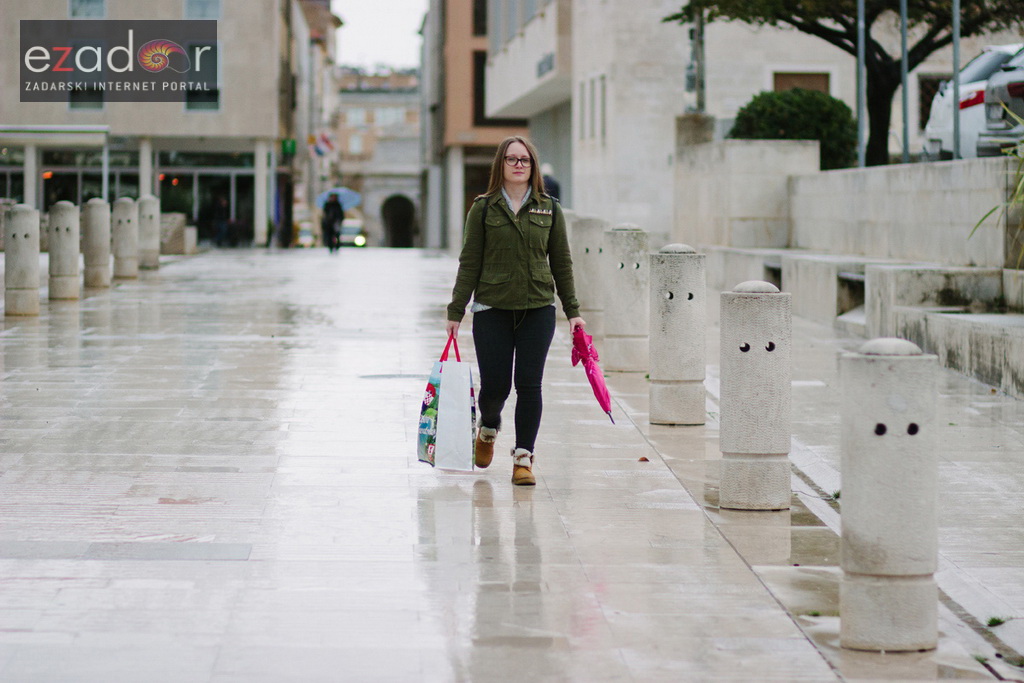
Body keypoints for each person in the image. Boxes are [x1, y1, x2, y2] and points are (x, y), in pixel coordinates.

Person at [446, 136, 585, 486]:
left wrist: (573, 311)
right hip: (491, 308)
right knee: (495, 387)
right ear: (501, 164)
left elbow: (562, 263)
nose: (519, 165)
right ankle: (489, 427)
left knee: (529, 384)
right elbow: (469, 262)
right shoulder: (483, 208)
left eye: (525, 159)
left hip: (538, 308)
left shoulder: (549, 209)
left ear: (533, 166)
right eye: (512, 159)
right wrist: (456, 309)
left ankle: (523, 457)